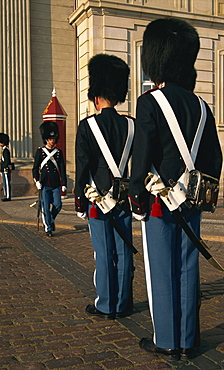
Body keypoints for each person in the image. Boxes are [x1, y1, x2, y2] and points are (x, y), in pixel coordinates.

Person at [129, 18, 222, 360]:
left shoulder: (150, 102)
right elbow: (215, 157)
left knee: (162, 271)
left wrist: (137, 193)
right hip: (192, 201)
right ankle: (188, 339)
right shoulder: (201, 106)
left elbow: (142, 156)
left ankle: (167, 340)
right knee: (187, 269)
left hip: (159, 203)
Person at [75, 53, 135, 320]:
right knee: (123, 251)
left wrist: (80, 197)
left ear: (96, 96)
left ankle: (106, 305)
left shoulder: (87, 126)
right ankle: (123, 304)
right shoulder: (131, 125)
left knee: (103, 252)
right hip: (123, 198)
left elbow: (83, 166)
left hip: (98, 200)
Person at [32, 121, 67, 237]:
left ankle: (50, 220)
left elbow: (62, 168)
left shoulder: (58, 153)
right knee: (45, 207)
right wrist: (36, 181)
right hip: (44, 183)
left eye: (53, 138)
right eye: (50, 138)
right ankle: (48, 228)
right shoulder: (40, 152)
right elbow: (35, 167)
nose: (52, 140)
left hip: (55, 183)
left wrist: (64, 183)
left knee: (58, 205)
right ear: (46, 139)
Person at [0, 133, 12, 202]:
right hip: (4, 168)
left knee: (6, 183)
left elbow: (7, 161)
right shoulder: (4, 150)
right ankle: (6, 195)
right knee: (5, 183)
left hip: (5, 169)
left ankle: (8, 196)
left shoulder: (6, 150)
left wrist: (4, 167)